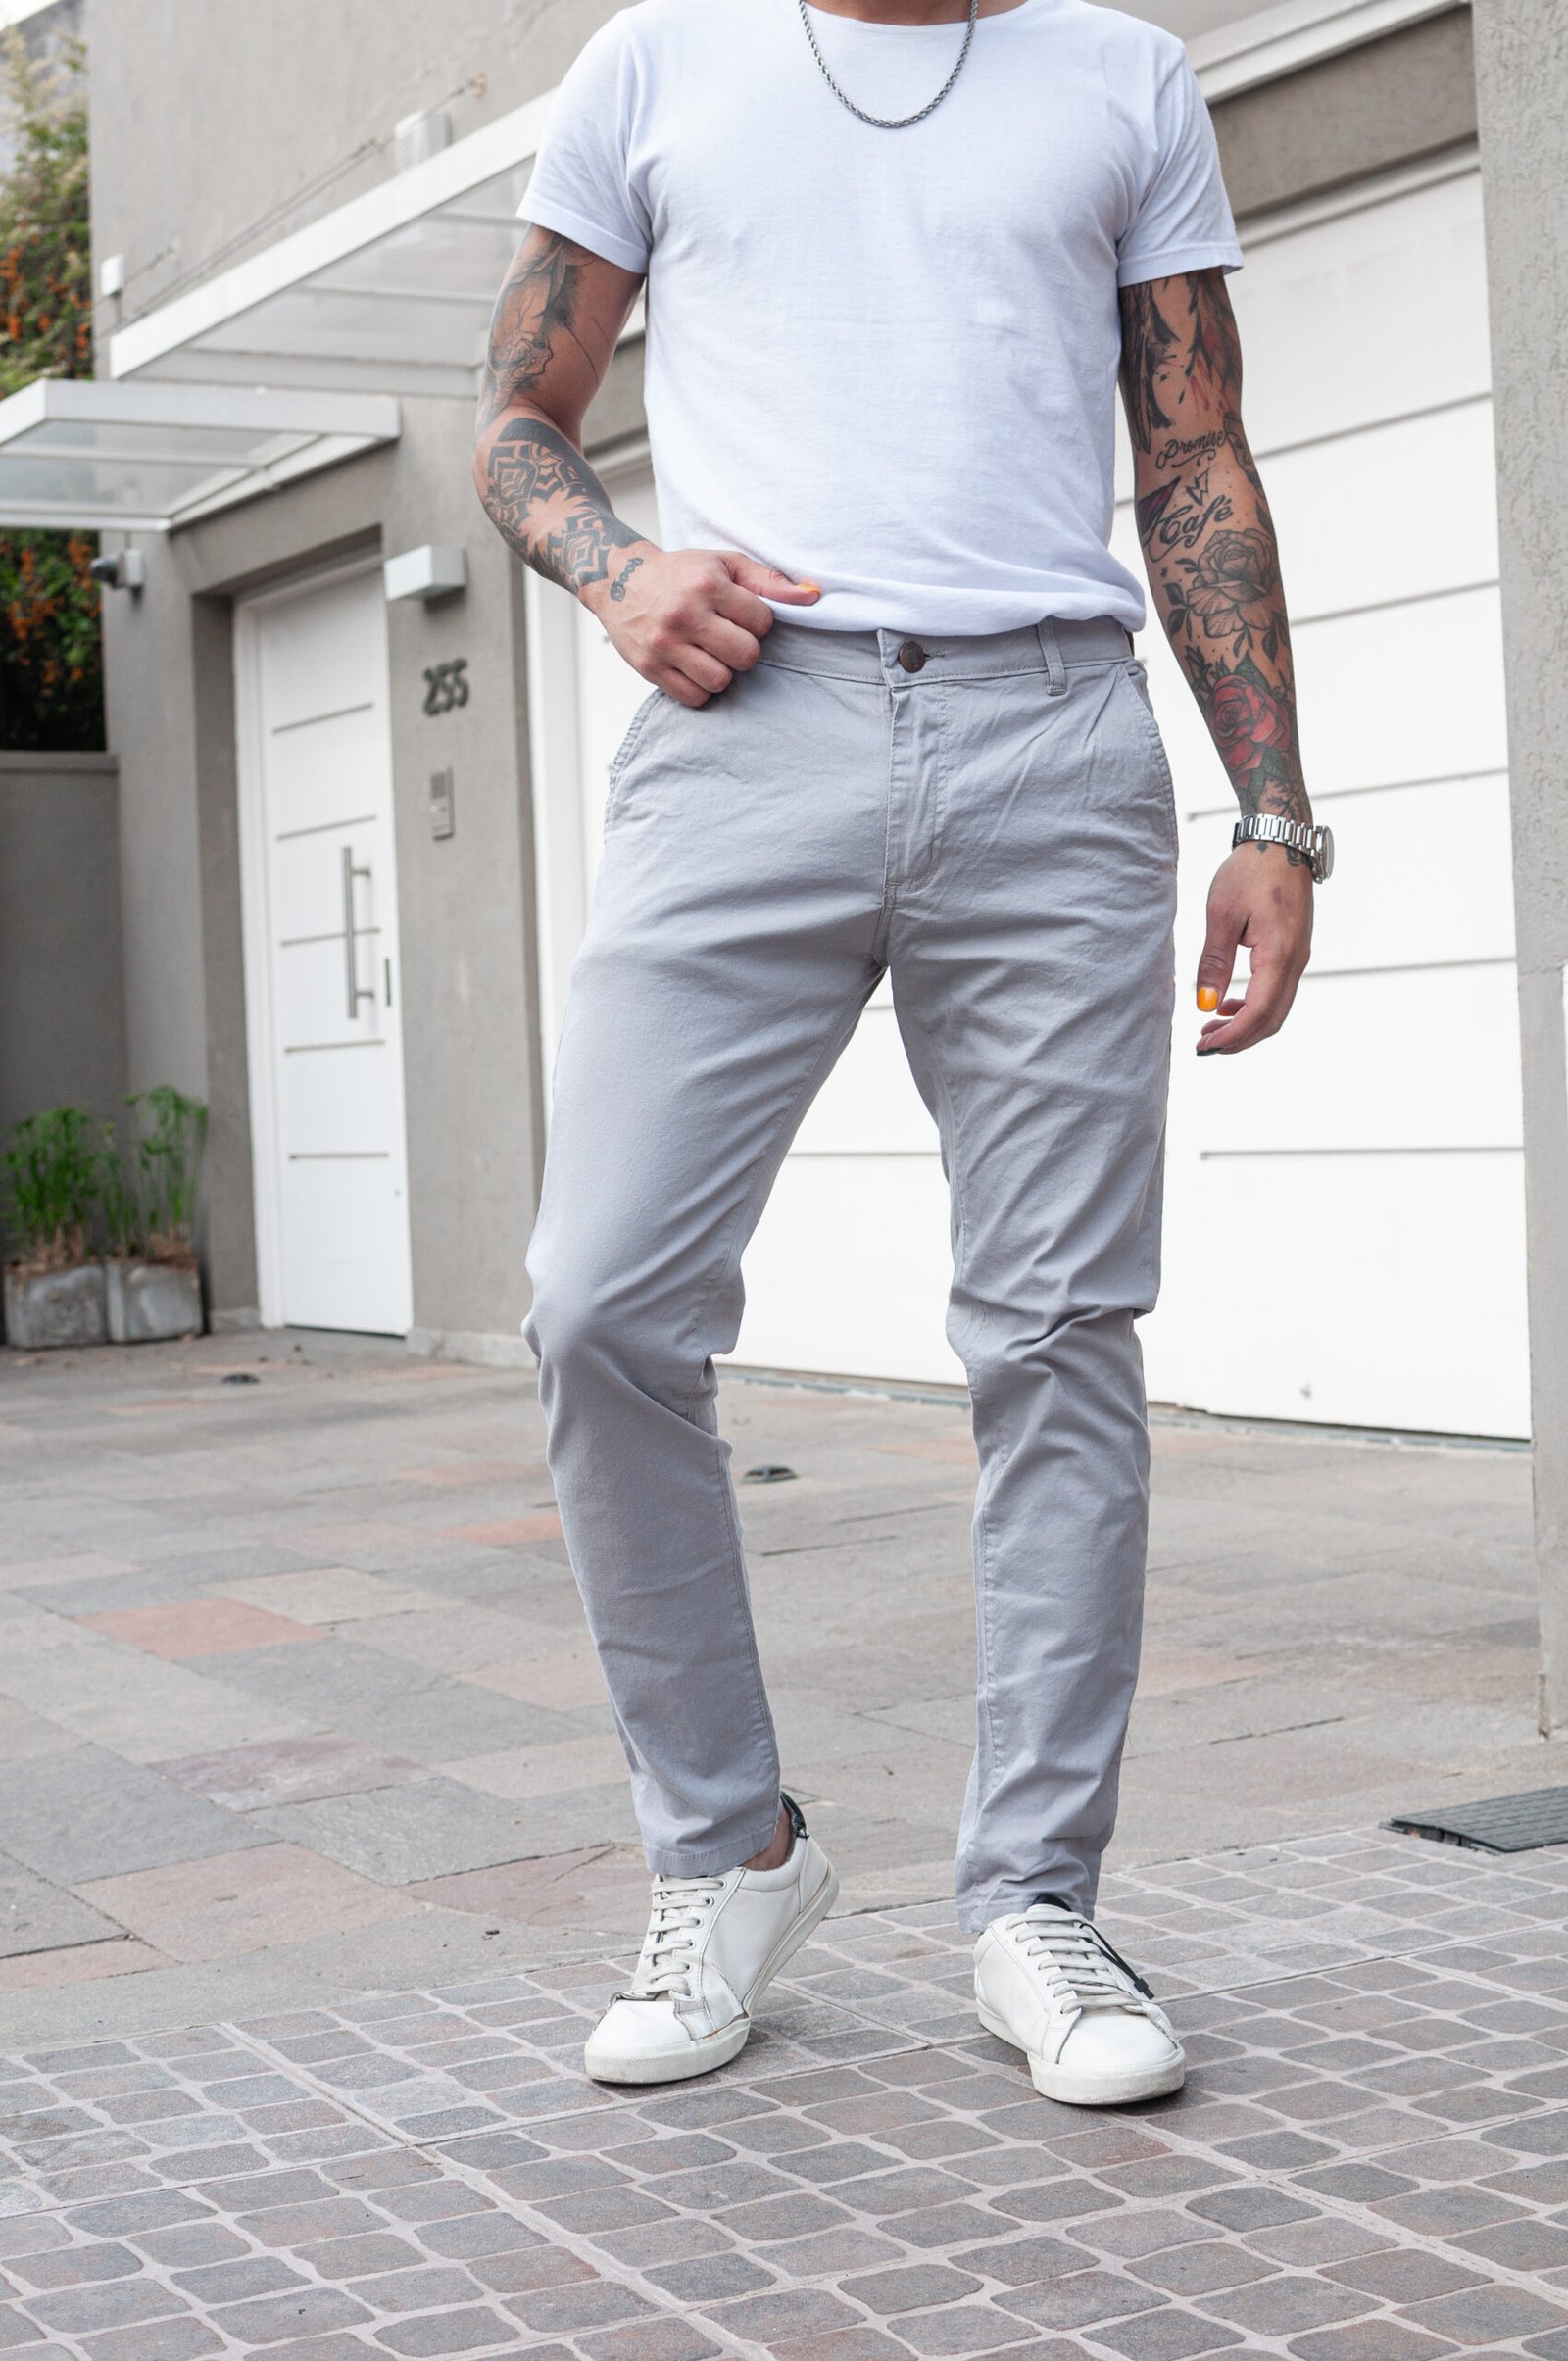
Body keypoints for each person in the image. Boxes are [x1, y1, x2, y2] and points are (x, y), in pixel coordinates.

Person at [473, 0, 1330, 2107]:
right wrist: (617, 570)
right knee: (598, 1300)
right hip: (741, 725)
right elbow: (515, 417)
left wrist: (1272, 810)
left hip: (1052, 739)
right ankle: (727, 1853)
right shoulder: (654, 67)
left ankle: (1036, 1896)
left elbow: (1191, 454)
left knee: (1057, 1327)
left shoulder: (1121, 76)